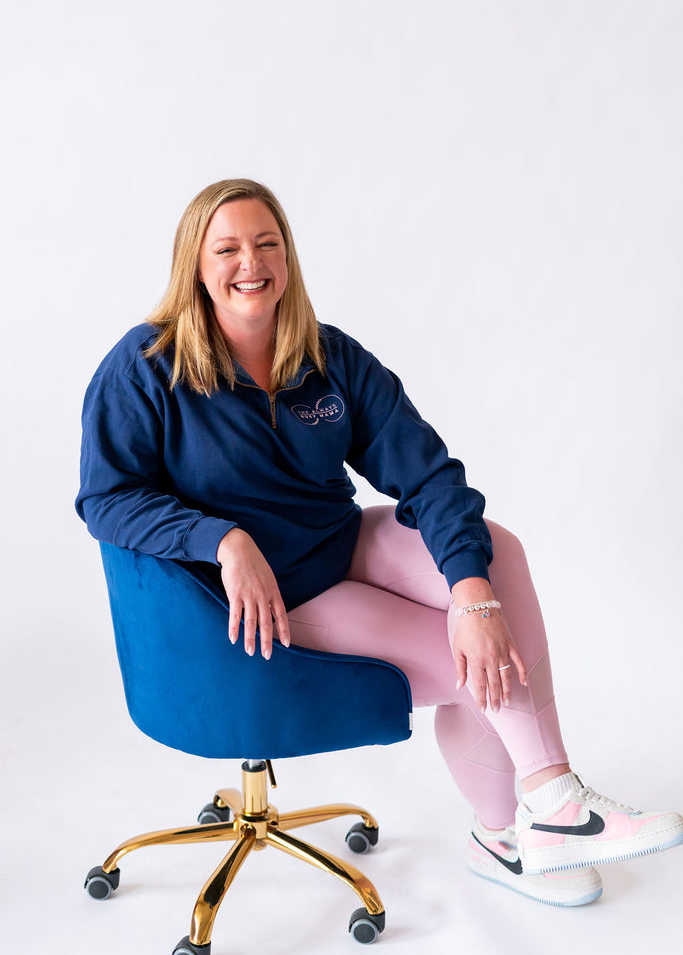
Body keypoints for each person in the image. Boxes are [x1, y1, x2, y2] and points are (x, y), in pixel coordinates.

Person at [76, 178, 683, 908]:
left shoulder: (326, 355)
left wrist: (471, 593)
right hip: (264, 596)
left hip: (337, 541)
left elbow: (427, 474)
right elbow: (106, 498)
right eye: (228, 247)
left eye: (267, 243)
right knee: (471, 668)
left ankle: (551, 806)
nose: (250, 262)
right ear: (195, 266)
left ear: (288, 256)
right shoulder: (147, 366)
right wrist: (222, 538)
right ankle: (509, 834)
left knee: (493, 553)